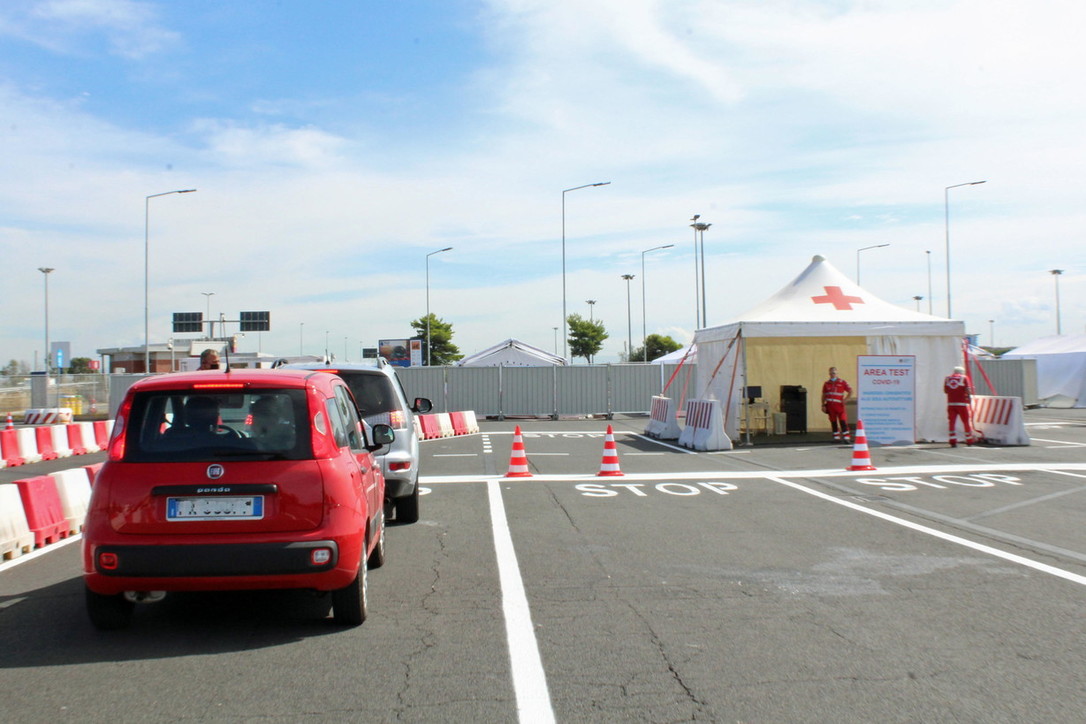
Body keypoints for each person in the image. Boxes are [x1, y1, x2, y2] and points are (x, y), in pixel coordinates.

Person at [944, 365, 975, 447]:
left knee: (952, 422)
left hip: (951, 404)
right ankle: (969, 440)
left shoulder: (947, 378)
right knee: (966, 422)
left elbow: (945, 391)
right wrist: (968, 395)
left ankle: (952, 440)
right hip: (961, 404)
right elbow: (968, 390)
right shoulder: (964, 378)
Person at [821, 366, 853, 442]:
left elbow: (850, 391)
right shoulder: (826, 384)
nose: (832, 374)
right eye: (831, 373)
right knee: (833, 421)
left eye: (834, 373)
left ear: (837, 373)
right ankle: (836, 437)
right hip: (830, 406)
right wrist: (823, 405)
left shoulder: (842, 382)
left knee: (843, 421)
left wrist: (846, 399)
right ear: (829, 373)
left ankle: (846, 437)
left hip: (839, 406)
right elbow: (824, 395)